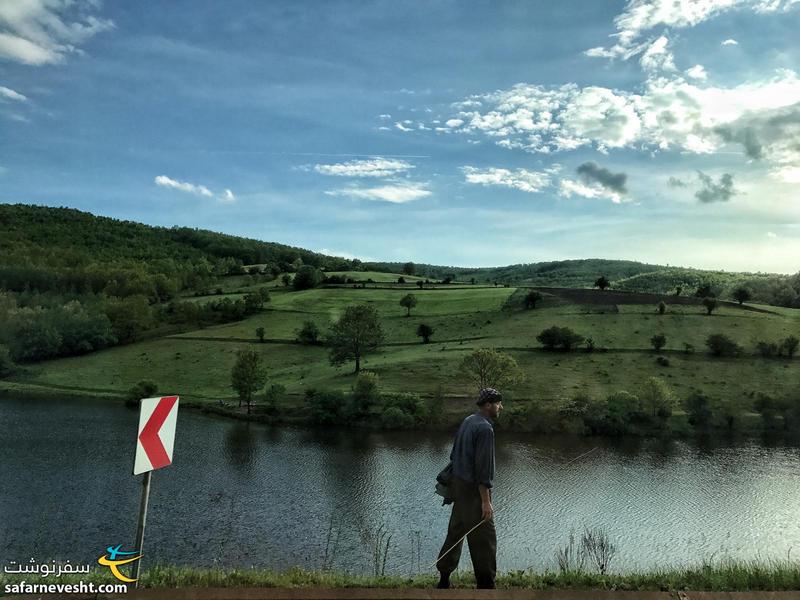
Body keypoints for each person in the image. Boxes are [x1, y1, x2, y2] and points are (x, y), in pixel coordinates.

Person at [436, 387, 502, 589]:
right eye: (498, 403)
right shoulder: (485, 429)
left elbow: (454, 455)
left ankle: (444, 580)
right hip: (474, 493)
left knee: (455, 532)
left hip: (459, 488)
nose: (501, 407)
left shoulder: (468, 421)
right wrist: (486, 501)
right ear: (489, 405)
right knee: (485, 540)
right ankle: (486, 586)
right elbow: (484, 470)